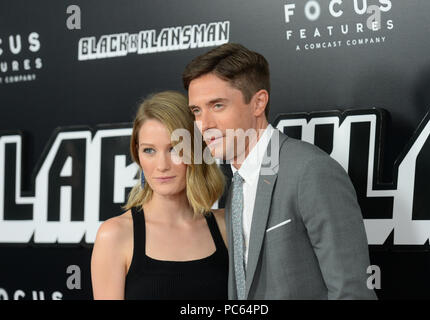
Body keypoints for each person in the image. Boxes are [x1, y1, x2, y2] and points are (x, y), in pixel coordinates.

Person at [182, 43, 377, 299]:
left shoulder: (310, 171)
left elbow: (352, 291)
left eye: (217, 106)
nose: (204, 124)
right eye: (197, 110)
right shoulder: (238, 182)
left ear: (258, 103)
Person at [90, 91, 228, 300]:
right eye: (149, 151)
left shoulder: (227, 226)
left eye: (174, 149)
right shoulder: (115, 235)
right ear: (138, 154)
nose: (162, 166)